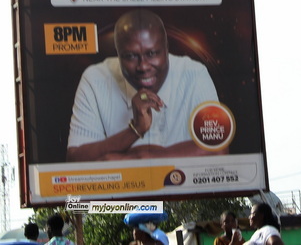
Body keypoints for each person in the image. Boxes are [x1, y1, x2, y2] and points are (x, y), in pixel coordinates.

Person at [67, 9, 221, 161]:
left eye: (152, 53)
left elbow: (219, 148)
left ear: (166, 49)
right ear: (118, 54)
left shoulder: (194, 74)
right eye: (131, 56)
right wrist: (135, 130)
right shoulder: (95, 79)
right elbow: (75, 158)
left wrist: (141, 157)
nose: (143, 66)